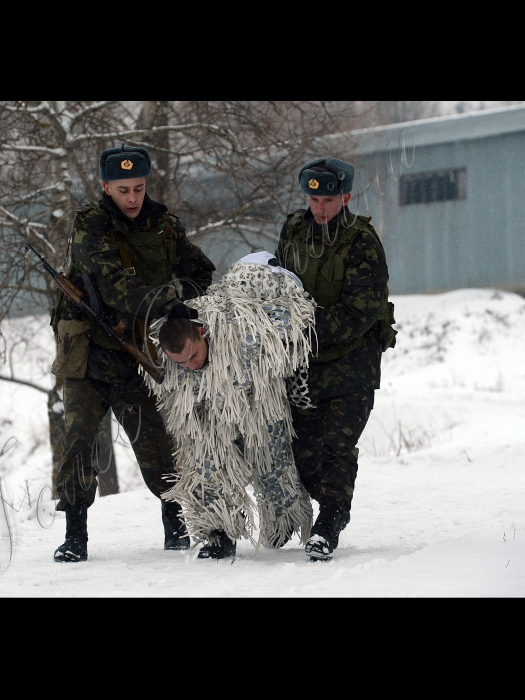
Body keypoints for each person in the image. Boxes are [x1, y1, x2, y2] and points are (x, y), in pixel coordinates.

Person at [50, 143, 216, 563]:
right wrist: (167, 304)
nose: (132, 198)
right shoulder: (91, 224)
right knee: (78, 443)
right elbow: (112, 286)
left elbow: (200, 271)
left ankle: (176, 527)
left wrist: (186, 307)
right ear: (106, 187)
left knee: (158, 444)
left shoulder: (164, 226)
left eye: (139, 188)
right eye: (122, 189)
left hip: (134, 356)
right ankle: (75, 535)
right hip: (87, 354)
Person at [145, 252, 316, 559]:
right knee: (207, 464)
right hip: (211, 411)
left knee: (273, 463)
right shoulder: (174, 353)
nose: (190, 367)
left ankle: (284, 523)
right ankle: (218, 534)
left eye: (194, 357)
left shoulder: (246, 331)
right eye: (180, 363)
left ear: (202, 332)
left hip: (259, 401)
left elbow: (295, 320)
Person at [275, 157, 397, 561]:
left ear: (345, 197)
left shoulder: (361, 242)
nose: (320, 208)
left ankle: (329, 524)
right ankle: (322, 507)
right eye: (313, 199)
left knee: (336, 447)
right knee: (305, 457)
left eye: (328, 199)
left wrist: (305, 328)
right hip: (302, 367)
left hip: (351, 364)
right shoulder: (293, 230)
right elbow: (278, 286)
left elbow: (359, 312)